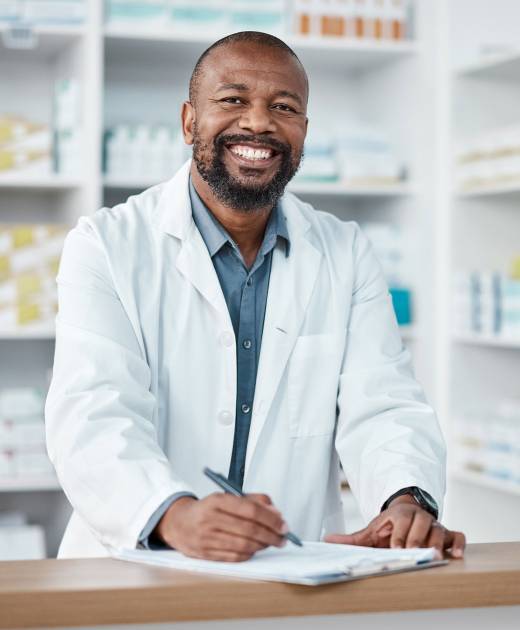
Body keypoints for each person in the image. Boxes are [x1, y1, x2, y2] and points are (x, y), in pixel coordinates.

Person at [45, 31, 465, 561]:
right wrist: (173, 513)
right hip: (132, 572)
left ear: (304, 133)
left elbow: (382, 402)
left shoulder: (345, 252)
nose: (259, 122)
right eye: (233, 100)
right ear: (188, 121)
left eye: (283, 107)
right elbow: (92, 414)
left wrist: (406, 499)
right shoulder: (106, 245)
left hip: (291, 572)